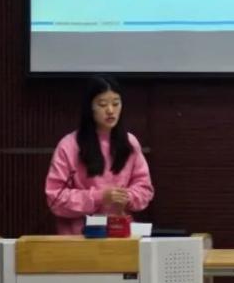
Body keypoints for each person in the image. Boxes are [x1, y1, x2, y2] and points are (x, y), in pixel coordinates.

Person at [44, 75, 154, 235]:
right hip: (79, 238)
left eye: (116, 103)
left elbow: (144, 189)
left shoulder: (130, 142)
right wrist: (99, 197)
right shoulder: (69, 146)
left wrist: (128, 197)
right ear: (89, 107)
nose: (110, 110)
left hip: (121, 235)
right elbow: (55, 199)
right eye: (102, 104)